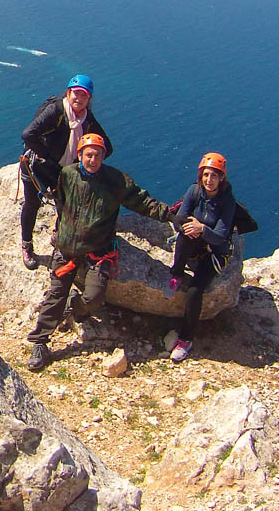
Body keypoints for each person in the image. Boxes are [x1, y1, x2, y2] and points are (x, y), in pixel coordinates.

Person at [26, 133, 186, 372]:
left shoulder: (116, 181)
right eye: (88, 154)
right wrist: (59, 230)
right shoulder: (68, 175)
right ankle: (39, 343)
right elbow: (60, 201)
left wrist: (169, 215)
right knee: (55, 295)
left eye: (97, 155)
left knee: (94, 297)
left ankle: (76, 309)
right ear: (79, 155)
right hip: (67, 249)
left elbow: (142, 202)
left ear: (103, 157)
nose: (93, 159)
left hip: (97, 253)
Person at [19, 74, 112, 270]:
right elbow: (28, 135)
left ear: (89, 99)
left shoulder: (87, 119)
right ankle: (27, 245)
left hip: (62, 170)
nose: (79, 99)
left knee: (67, 205)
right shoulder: (56, 111)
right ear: (68, 93)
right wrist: (48, 157)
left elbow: (107, 147)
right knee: (32, 204)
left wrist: (86, 162)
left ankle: (59, 237)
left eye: (84, 96)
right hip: (37, 166)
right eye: (76, 94)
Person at [165, 152, 236, 363]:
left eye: (214, 176)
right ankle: (176, 274)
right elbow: (180, 218)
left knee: (195, 291)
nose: (209, 180)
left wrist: (202, 228)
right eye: (206, 175)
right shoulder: (194, 191)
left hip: (214, 253)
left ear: (221, 178)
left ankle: (186, 339)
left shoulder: (227, 202)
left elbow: (222, 237)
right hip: (195, 242)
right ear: (200, 176)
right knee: (184, 237)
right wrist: (189, 227)